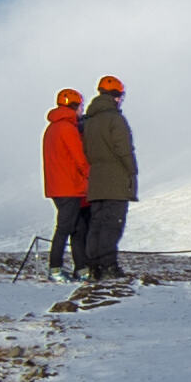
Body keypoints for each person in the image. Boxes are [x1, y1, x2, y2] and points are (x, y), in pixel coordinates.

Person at [76, 75, 138, 277]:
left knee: (97, 225)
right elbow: (124, 149)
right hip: (115, 180)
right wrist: (131, 171)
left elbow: (86, 150)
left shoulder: (89, 121)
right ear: (116, 96)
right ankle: (109, 267)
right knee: (113, 225)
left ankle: (94, 267)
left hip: (96, 181)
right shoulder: (115, 119)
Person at [41, 88, 92, 276]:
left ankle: (81, 268)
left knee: (77, 228)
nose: (82, 111)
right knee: (66, 228)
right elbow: (79, 157)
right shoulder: (67, 128)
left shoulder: (52, 128)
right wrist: (90, 176)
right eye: (80, 106)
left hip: (58, 187)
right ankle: (55, 268)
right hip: (70, 187)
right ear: (75, 106)